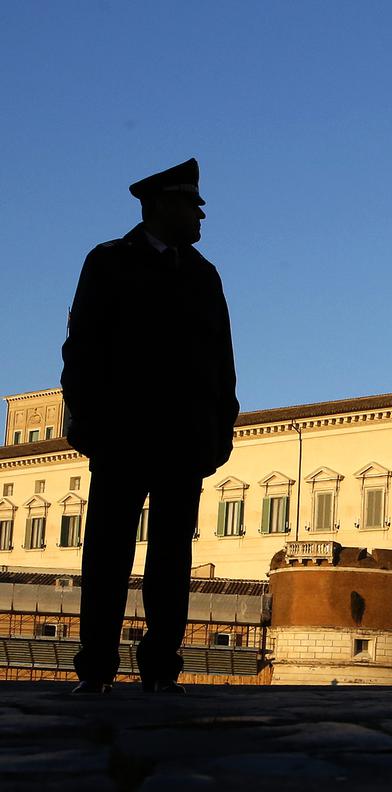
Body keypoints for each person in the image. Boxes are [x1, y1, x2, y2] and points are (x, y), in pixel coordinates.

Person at [63, 158, 239, 694]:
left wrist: (221, 427)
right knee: (107, 553)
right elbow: (82, 348)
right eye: (192, 206)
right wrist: (88, 421)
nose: (200, 219)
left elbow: (222, 360)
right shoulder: (109, 262)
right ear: (163, 205)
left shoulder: (204, 274)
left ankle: (160, 666)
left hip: (183, 437)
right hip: (122, 432)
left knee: (171, 557)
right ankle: (96, 667)